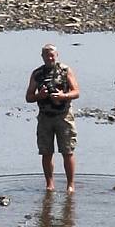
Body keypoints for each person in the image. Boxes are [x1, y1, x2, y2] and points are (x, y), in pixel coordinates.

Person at [26, 44, 79, 193]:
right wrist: (39, 96)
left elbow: (76, 91)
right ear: (42, 56)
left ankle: (70, 185)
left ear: (57, 55)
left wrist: (63, 96)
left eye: (52, 55)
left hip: (64, 116)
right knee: (46, 152)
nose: (50, 58)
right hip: (45, 117)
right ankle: (50, 185)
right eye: (47, 55)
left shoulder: (65, 70)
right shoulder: (37, 73)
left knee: (67, 151)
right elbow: (28, 97)